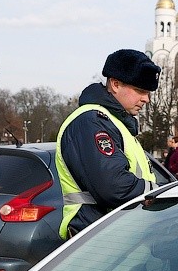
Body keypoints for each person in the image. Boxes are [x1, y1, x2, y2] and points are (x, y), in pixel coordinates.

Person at [56, 48, 161, 238]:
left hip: (115, 236)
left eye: (148, 92)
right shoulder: (92, 122)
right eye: (140, 90)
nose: (146, 99)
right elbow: (113, 186)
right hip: (96, 239)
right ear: (115, 84)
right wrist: (157, 192)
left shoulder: (115, 123)